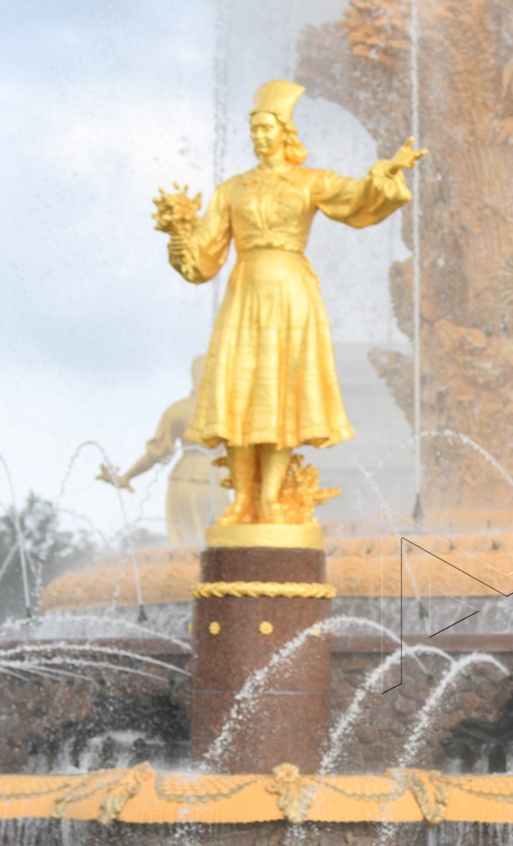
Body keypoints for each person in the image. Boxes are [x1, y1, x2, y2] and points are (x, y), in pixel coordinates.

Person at [167, 79, 423, 526]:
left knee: (279, 394)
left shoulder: (310, 181)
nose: (259, 136)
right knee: (241, 393)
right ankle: (241, 500)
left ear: (285, 133)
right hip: (245, 293)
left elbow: (356, 200)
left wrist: (385, 173)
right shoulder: (232, 189)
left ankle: (269, 498)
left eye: (266, 128)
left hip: (290, 294)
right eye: (254, 129)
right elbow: (202, 261)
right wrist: (178, 234)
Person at [97, 356, 223, 546]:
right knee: (219, 544)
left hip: (184, 480)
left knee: (186, 544)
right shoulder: (229, 412)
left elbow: (156, 453)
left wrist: (127, 477)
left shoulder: (178, 410)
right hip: (216, 479)